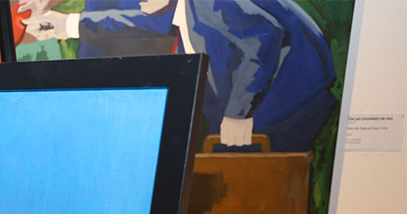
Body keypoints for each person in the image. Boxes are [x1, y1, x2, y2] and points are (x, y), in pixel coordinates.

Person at [21, 0, 337, 150]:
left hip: (294, 99)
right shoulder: (180, 6)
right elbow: (134, 22)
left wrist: (239, 114)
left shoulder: (211, 2)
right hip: (276, 96)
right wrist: (65, 25)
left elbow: (263, 39)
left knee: (250, 186)